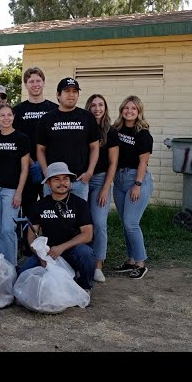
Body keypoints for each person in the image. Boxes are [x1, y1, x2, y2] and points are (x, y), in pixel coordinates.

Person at [18, 162, 96, 293]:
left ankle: (84, 287)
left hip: (73, 251)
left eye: (65, 179)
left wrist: (61, 248)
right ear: (48, 183)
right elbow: (31, 236)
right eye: (56, 179)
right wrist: (41, 255)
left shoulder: (80, 204)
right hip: (49, 252)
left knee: (86, 253)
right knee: (22, 275)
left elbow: (87, 235)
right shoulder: (39, 205)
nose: (62, 183)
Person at [36, 77, 100, 202]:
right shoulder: (47, 119)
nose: (71, 95)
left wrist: (90, 172)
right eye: (67, 91)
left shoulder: (87, 117)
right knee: (53, 220)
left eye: (75, 91)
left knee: (79, 220)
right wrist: (46, 174)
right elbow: (40, 149)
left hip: (79, 181)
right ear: (58, 95)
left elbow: (94, 147)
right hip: (53, 182)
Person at [112, 95, 154, 279]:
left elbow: (143, 162)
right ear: (122, 109)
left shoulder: (143, 134)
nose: (129, 111)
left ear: (139, 112)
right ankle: (130, 260)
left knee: (131, 223)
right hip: (118, 179)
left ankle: (141, 263)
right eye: (126, 108)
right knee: (125, 224)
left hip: (136, 179)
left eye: (133, 109)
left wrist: (137, 185)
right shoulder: (115, 130)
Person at [0, 105, 30, 266]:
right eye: (2, 115)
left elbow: (25, 168)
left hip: (11, 190)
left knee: (7, 229)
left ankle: (12, 266)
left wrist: (19, 192)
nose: (6, 118)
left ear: (13, 116)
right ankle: (1, 265)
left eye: (9, 115)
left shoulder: (22, 138)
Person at [12, 66, 58, 218]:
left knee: (52, 207)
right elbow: (15, 139)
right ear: (25, 84)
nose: (35, 84)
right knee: (28, 207)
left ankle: (51, 240)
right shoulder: (18, 110)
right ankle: (28, 240)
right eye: (31, 81)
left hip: (50, 167)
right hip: (27, 166)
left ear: (44, 83)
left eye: (38, 80)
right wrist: (31, 162)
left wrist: (45, 164)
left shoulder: (54, 109)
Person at [85, 94, 119, 283]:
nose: (97, 108)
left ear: (105, 108)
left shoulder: (111, 132)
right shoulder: (83, 127)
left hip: (100, 181)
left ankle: (98, 264)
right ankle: (81, 260)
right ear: (88, 107)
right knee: (81, 222)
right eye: (93, 105)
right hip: (82, 179)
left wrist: (106, 188)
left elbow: (113, 164)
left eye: (101, 105)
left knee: (99, 222)